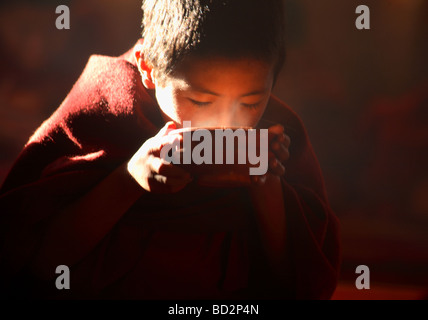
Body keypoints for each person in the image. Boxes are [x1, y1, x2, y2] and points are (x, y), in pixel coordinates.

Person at [0, 0, 340, 299]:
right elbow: (41, 263)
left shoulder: (277, 133)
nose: (226, 123)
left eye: (251, 101)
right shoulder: (105, 108)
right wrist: (130, 178)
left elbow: (299, 285)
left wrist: (266, 182)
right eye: (200, 100)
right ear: (148, 68)